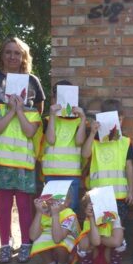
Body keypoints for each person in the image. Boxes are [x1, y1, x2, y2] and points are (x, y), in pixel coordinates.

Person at [0, 86, 43, 263]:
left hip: (23, 168)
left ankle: (26, 244)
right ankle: (5, 245)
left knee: (24, 208)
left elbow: (29, 131)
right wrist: (12, 110)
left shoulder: (34, 113)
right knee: (3, 208)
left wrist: (19, 111)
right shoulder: (0, 109)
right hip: (3, 167)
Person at [81, 98, 133, 264]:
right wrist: (91, 132)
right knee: (98, 228)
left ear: (122, 119)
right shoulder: (96, 140)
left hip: (119, 197)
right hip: (98, 196)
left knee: (115, 232)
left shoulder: (125, 142)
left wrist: (131, 190)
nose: (116, 123)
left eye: (119, 119)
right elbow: (85, 154)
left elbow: (129, 167)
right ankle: (97, 262)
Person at [0, 37, 45, 168]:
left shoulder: (33, 81)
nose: (12, 56)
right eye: (8, 52)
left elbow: (37, 111)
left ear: (24, 57)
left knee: (23, 187)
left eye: (17, 53)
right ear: (1, 55)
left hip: (25, 145)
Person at [41, 80, 86, 213]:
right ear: (54, 98)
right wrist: (53, 115)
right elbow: (51, 139)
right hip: (51, 173)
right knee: (52, 210)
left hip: (71, 175)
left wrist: (83, 118)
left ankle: (69, 234)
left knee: (70, 210)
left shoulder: (78, 120)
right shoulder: (49, 120)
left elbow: (79, 142)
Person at [73, 194, 128, 264]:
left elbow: (117, 242)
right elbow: (95, 241)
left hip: (109, 258)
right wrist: (91, 217)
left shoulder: (114, 217)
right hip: (92, 258)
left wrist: (100, 237)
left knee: (121, 240)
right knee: (83, 240)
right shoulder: (88, 219)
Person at [28, 190, 80, 264]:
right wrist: (39, 213)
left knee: (60, 244)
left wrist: (55, 215)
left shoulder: (69, 214)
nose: (53, 201)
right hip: (53, 239)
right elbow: (32, 236)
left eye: (58, 199)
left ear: (67, 202)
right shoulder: (45, 212)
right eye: (50, 198)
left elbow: (57, 239)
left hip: (68, 246)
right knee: (38, 239)